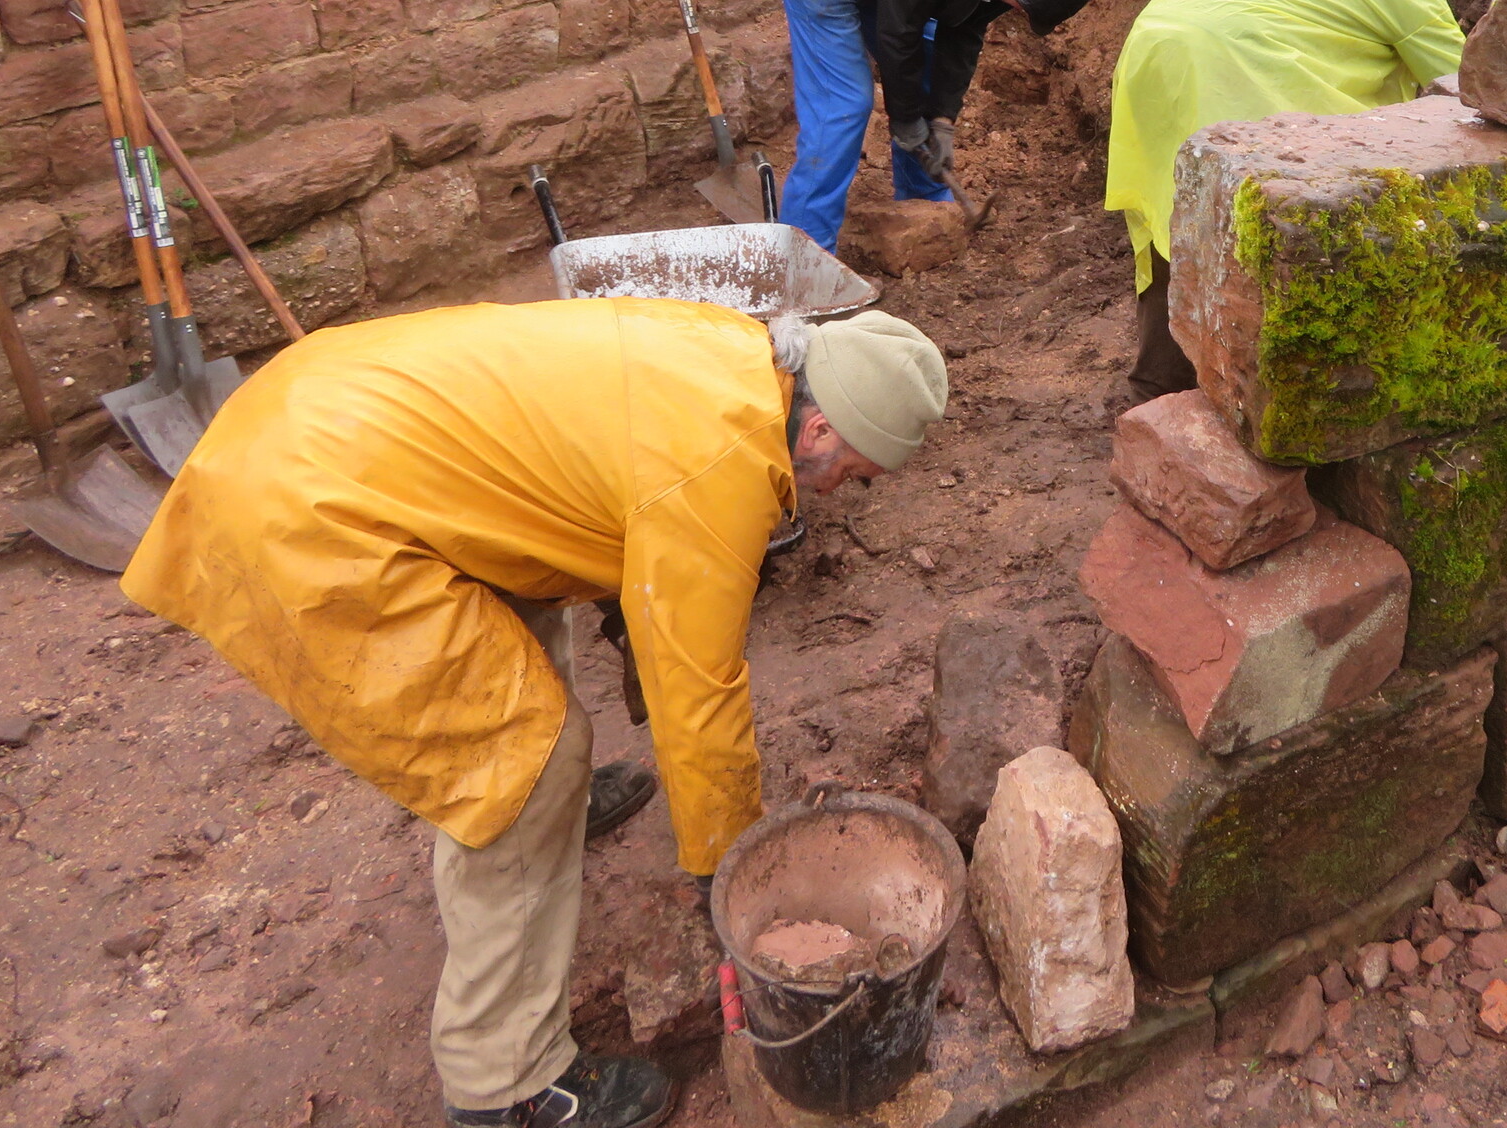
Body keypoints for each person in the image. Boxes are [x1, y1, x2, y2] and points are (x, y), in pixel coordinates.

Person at [120, 301, 950, 1128]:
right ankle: (506, 1080)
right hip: (311, 509)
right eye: (857, 474)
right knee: (521, 763)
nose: (844, 492)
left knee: (527, 609)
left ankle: (556, 815)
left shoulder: (733, 358)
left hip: (327, 415)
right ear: (819, 431)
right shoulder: (720, 465)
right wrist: (728, 867)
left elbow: (604, 501)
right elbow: (699, 692)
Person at [1104, 0, 1465, 403]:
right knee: (1274, 234)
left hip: (1150, 54)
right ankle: (1270, 398)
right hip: (1238, 62)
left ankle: (1159, 387)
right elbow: (1468, 82)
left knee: (1173, 214)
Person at [769, 0, 1104, 254]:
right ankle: (805, 253)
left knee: (924, 73)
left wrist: (942, 119)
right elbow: (898, 31)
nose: (1021, 12)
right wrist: (905, 118)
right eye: (1025, 5)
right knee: (843, 104)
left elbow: (963, 30)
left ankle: (924, 207)